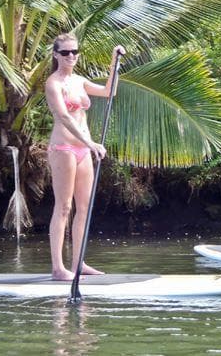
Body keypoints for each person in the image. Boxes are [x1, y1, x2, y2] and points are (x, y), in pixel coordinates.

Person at [44, 33, 125, 280]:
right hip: (63, 149)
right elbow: (64, 118)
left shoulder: (79, 80)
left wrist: (114, 62)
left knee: (84, 207)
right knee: (64, 207)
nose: (71, 56)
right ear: (56, 55)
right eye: (66, 52)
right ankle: (58, 268)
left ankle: (79, 262)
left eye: (75, 52)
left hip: (83, 150)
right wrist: (90, 143)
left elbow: (109, 91)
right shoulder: (53, 83)